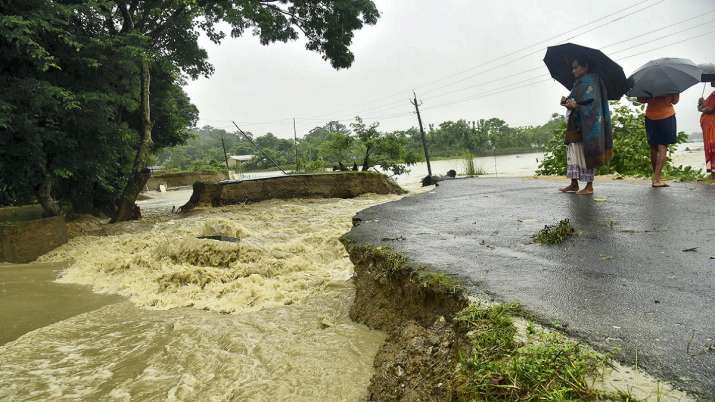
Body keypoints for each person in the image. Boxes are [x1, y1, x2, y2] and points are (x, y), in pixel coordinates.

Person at [559, 57, 613, 195]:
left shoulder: (592, 81)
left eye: (576, 67)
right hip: (575, 123)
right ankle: (574, 183)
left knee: (586, 152)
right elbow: (576, 100)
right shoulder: (578, 83)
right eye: (573, 68)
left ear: (585, 66)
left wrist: (575, 105)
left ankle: (589, 186)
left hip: (587, 125)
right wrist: (567, 101)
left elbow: (593, 105)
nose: (573, 70)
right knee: (573, 152)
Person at [637, 94, 679, 187]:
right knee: (662, 147)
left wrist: (651, 98)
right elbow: (675, 101)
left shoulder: (647, 82)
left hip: (650, 117)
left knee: (653, 147)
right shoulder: (671, 83)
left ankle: (656, 177)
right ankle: (656, 179)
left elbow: (640, 99)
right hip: (666, 116)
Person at [698, 81, 715, 177]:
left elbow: (710, 109)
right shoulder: (712, 94)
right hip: (708, 124)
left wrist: (701, 108)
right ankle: (712, 171)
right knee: (709, 147)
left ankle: (714, 171)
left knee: (712, 146)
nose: (712, 81)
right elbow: (703, 107)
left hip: (712, 124)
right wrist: (701, 103)